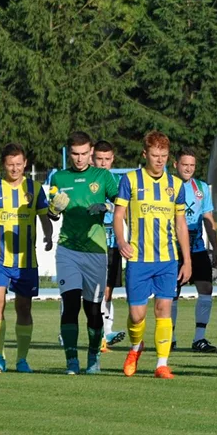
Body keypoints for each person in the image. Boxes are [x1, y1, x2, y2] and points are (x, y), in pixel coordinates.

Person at [0, 143, 53, 373]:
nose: (14, 169)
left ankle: (22, 359)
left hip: (26, 263)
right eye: (10, 164)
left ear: (25, 164)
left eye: (18, 164)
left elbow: (45, 218)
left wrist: (49, 236)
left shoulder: (35, 188)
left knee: (24, 309)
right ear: (3, 165)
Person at [113, 130, 192, 379]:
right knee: (137, 315)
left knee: (163, 309)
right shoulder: (130, 180)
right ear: (145, 154)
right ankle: (136, 347)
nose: (160, 160)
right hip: (138, 259)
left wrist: (186, 260)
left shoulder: (176, 185)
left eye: (164, 156)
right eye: (155, 155)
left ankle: (161, 364)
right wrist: (121, 241)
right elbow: (118, 215)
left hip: (167, 259)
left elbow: (181, 225)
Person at [48, 131, 118, 375]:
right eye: (75, 154)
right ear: (70, 153)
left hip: (96, 251)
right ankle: (71, 361)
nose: (79, 159)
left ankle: (93, 356)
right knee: (69, 305)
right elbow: (52, 212)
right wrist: (54, 209)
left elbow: (123, 204)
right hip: (68, 249)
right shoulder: (59, 176)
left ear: (91, 153)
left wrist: (107, 205)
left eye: (84, 154)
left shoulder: (103, 176)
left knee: (92, 309)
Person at [172, 147, 217, 352]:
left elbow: (208, 218)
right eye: (185, 165)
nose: (189, 168)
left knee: (206, 290)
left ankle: (199, 338)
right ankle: (169, 337)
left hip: (198, 248)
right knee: (171, 293)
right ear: (176, 165)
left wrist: (215, 248)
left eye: (192, 165)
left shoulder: (201, 188)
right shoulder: (167, 186)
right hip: (173, 249)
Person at [92, 141, 125, 351]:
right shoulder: (88, 180)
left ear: (112, 159)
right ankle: (64, 330)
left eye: (107, 159)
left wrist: (108, 206)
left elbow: (126, 208)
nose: (103, 163)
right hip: (90, 242)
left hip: (112, 242)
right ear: (92, 158)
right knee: (82, 290)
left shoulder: (119, 181)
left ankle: (106, 332)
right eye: (99, 159)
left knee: (107, 291)